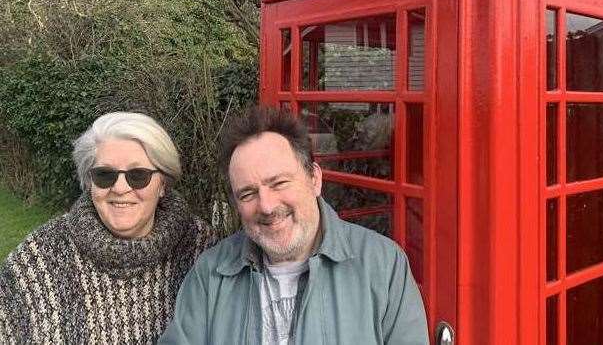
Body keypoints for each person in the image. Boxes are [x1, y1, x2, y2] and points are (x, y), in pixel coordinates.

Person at [161, 106, 428, 345]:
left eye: (279, 183)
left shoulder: (383, 265)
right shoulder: (210, 274)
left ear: (314, 179)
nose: (266, 206)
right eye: (248, 193)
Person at [0, 112, 217, 343]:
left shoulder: (204, 252)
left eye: (138, 175)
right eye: (105, 175)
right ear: (89, 182)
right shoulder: (39, 259)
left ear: (163, 184)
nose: (120, 188)